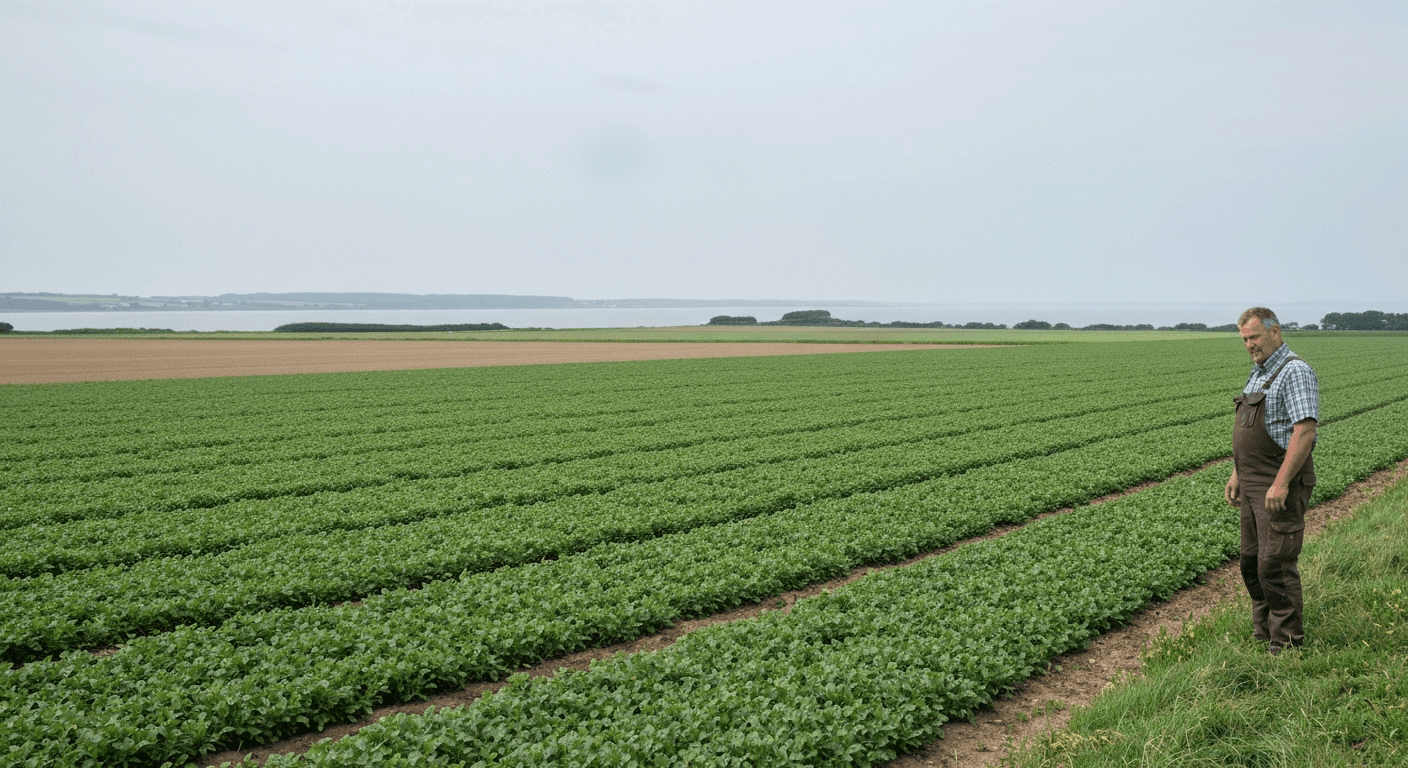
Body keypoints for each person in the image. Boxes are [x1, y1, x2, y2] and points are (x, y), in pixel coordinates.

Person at [1224, 307, 1318, 656]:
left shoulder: (1294, 371)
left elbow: (1304, 431)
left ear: (1275, 331)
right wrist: (1237, 474)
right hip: (1250, 483)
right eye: (1245, 339)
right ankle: (1263, 634)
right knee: (1251, 561)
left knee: (1275, 563)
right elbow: (1249, 430)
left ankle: (1288, 643)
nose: (1249, 344)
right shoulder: (1258, 374)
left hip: (1278, 482)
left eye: (1255, 337)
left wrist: (1280, 484)